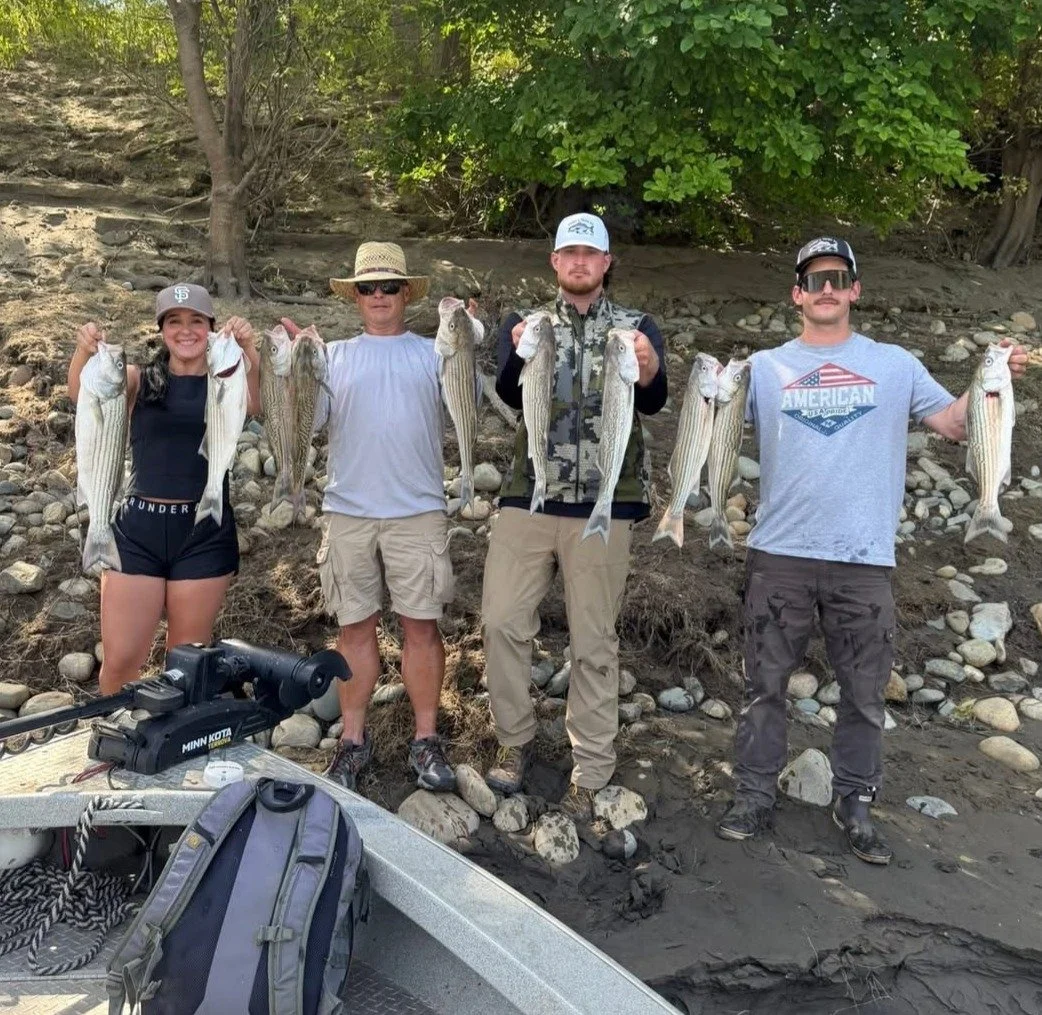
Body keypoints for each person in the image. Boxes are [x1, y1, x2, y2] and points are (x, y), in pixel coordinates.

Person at [715, 237, 1029, 864]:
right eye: (813, 279)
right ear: (796, 293)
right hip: (780, 553)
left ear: (855, 289)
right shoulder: (765, 366)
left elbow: (955, 425)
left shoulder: (895, 364)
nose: (826, 288)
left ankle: (855, 802)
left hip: (864, 560)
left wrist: (990, 380)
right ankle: (753, 794)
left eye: (837, 277)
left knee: (863, 693)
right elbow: (711, 419)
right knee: (763, 685)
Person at [481, 212, 668, 820]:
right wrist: (515, 353)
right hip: (527, 495)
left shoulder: (637, 328)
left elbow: (656, 399)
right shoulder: (524, 324)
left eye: (592, 253)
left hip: (606, 505)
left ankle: (591, 768)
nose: (580, 262)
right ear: (555, 263)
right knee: (503, 621)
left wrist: (650, 366)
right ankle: (514, 742)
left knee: (593, 641)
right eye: (570, 253)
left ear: (607, 263)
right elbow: (509, 394)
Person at [281, 241, 480, 793]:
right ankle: (351, 741)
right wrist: (296, 366)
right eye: (367, 287)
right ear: (354, 297)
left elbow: (470, 395)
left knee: (421, 627)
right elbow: (309, 422)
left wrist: (468, 333)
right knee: (354, 629)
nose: (378, 296)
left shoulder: (433, 352)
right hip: (348, 515)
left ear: (405, 294)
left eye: (388, 286)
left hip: (418, 512)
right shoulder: (334, 355)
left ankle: (425, 740)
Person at [67, 283, 260, 695]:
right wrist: (84, 351)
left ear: (211, 327)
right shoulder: (136, 379)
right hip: (137, 532)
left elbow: (257, 404)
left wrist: (249, 350)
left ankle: (175, 756)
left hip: (203, 537)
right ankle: (118, 749)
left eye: (196, 322)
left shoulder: (227, 379)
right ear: (162, 330)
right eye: (175, 322)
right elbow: (80, 393)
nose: (186, 330)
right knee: (119, 663)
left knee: (184, 666)